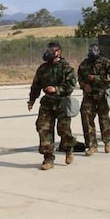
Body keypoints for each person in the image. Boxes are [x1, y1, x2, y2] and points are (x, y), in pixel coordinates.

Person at [27, 42, 78, 170]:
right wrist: (32, 99)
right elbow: (36, 85)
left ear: (58, 52)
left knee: (64, 130)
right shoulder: (43, 68)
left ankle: (69, 149)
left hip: (62, 103)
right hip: (47, 103)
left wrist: (56, 89)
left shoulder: (67, 68)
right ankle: (48, 158)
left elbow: (70, 86)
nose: (49, 52)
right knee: (43, 129)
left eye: (52, 50)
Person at [77, 43, 110, 155]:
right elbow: (79, 77)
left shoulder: (106, 62)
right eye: (90, 50)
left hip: (102, 95)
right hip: (89, 95)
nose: (92, 52)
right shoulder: (84, 64)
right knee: (86, 118)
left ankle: (107, 141)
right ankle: (91, 145)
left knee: (103, 118)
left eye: (94, 50)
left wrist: (97, 78)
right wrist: (84, 85)